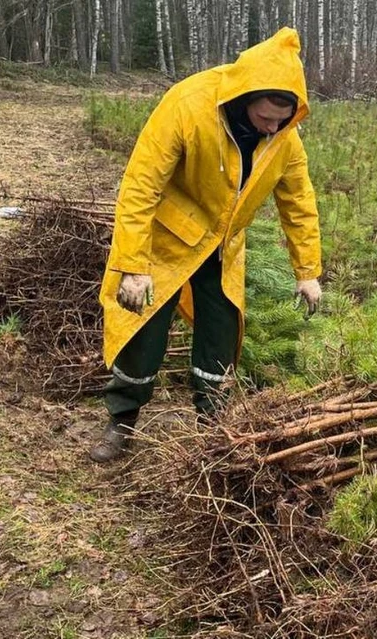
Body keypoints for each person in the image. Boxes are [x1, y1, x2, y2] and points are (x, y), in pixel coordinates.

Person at [89, 27, 322, 463]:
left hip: (221, 246)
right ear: (245, 96)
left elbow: (299, 202)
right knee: (143, 329)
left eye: (282, 121)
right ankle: (120, 421)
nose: (273, 128)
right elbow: (140, 187)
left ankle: (213, 432)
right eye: (266, 118)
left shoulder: (284, 136)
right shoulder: (188, 105)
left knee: (220, 335)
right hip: (166, 240)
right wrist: (133, 265)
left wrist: (307, 271)